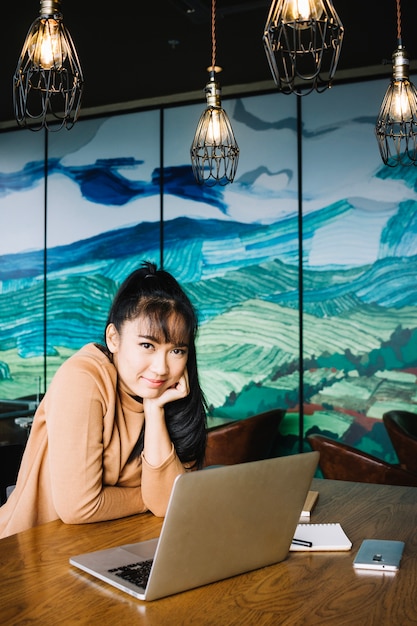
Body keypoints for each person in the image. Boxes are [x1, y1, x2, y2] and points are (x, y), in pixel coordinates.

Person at [0, 261, 207, 538]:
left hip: (113, 546)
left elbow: (166, 504)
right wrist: (147, 496)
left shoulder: (172, 397)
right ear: (113, 338)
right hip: (32, 553)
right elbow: (79, 507)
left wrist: (154, 409)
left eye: (177, 351)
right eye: (147, 345)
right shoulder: (84, 377)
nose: (161, 368)